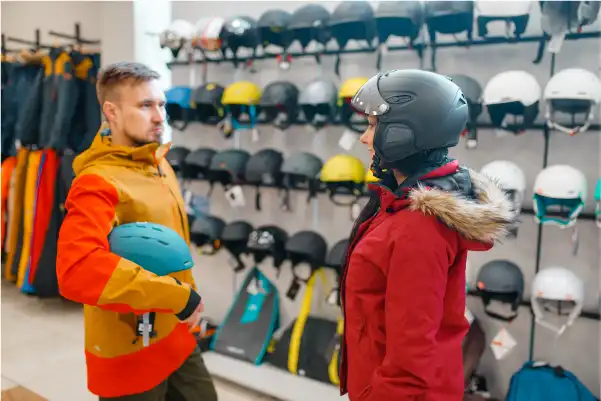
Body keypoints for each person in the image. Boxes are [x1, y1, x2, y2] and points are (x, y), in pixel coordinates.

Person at [338, 69, 514, 401]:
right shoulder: (397, 202)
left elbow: (410, 358)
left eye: (374, 126)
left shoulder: (418, 227)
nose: (364, 137)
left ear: (405, 134)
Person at [56, 62, 218, 401]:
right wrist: (177, 297)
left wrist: (183, 302)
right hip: (127, 348)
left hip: (175, 334)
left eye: (160, 104)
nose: (159, 115)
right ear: (111, 111)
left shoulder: (158, 163)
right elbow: (77, 269)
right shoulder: (97, 182)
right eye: (145, 105)